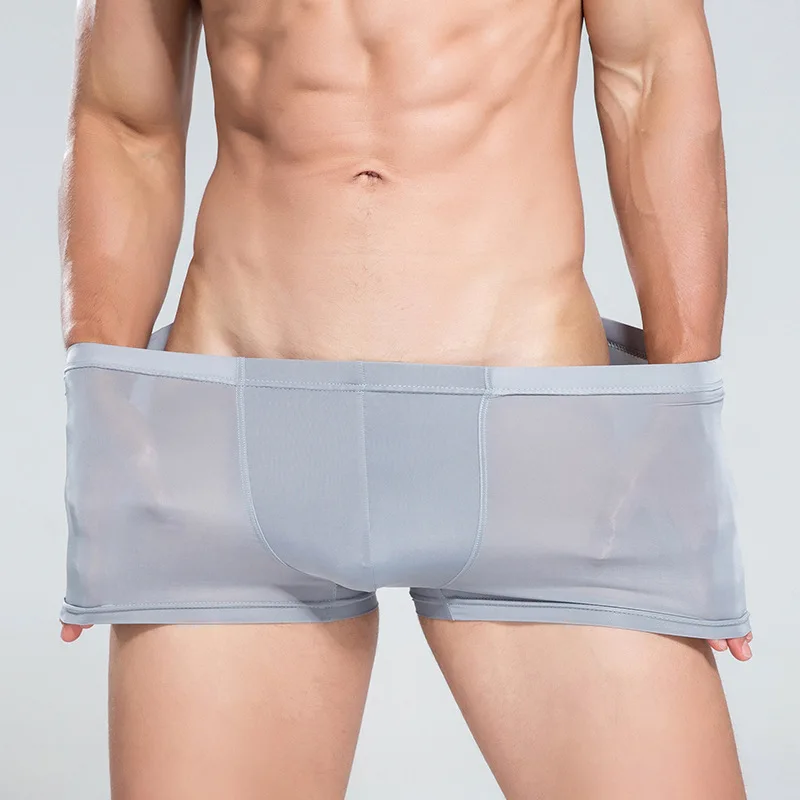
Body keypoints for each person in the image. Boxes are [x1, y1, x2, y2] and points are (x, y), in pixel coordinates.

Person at [57, 0, 753, 797]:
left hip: (534, 434)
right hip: (231, 433)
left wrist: (682, 417)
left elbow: (651, 78)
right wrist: (105, 417)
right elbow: (125, 120)